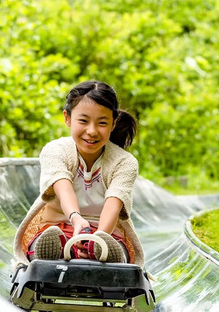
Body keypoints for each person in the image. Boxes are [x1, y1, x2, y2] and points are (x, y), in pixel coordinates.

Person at [13, 80, 144, 266]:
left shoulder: (124, 162)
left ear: (113, 123)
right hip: (60, 227)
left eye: (102, 123)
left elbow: (114, 203)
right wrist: (75, 219)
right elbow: (63, 188)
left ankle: (104, 254)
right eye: (83, 121)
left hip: (107, 233)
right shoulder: (56, 150)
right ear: (67, 118)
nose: (92, 131)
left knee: (110, 248)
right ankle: (49, 253)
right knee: (49, 240)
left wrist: (98, 237)